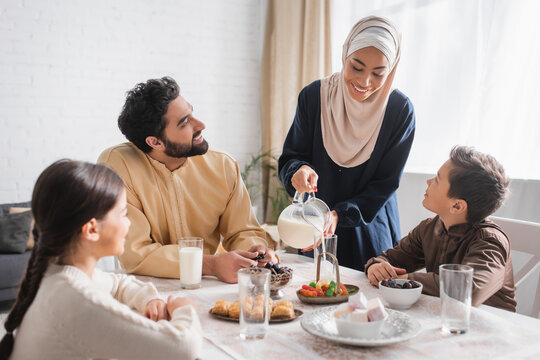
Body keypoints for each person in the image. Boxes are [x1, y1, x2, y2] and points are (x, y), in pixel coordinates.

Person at [0, 160, 202, 360]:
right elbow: (183, 348)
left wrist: (152, 300)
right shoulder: (76, 300)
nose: (129, 223)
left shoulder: (53, 274)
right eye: (123, 214)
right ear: (92, 229)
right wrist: (185, 309)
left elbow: (119, 282)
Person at [98, 76, 276, 283]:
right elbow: (136, 253)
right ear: (155, 142)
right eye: (184, 123)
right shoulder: (118, 166)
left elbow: (242, 231)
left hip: (212, 285)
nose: (200, 125)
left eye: (192, 113)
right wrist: (210, 264)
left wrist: (256, 252)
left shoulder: (223, 165)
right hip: (146, 290)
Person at [278, 16, 415, 270]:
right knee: (312, 296)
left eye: (378, 74)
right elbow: (291, 157)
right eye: (357, 67)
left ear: (392, 69)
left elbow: (385, 184)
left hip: (370, 230)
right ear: (345, 55)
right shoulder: (314, 97)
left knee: (369, 305)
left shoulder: (399, 111)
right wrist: (298, 170)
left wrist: (340, 215)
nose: (364, 82)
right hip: (316, 228)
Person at [365, 146, 516, 311]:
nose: (428, 181)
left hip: (490, 327)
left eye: (437, 179)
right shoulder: (430, 227)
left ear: (457, 206)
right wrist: (376, 266)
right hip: (445, 318)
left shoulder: (490, 241)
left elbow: (470, 289)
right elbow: (391, 259)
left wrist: (408, 279)